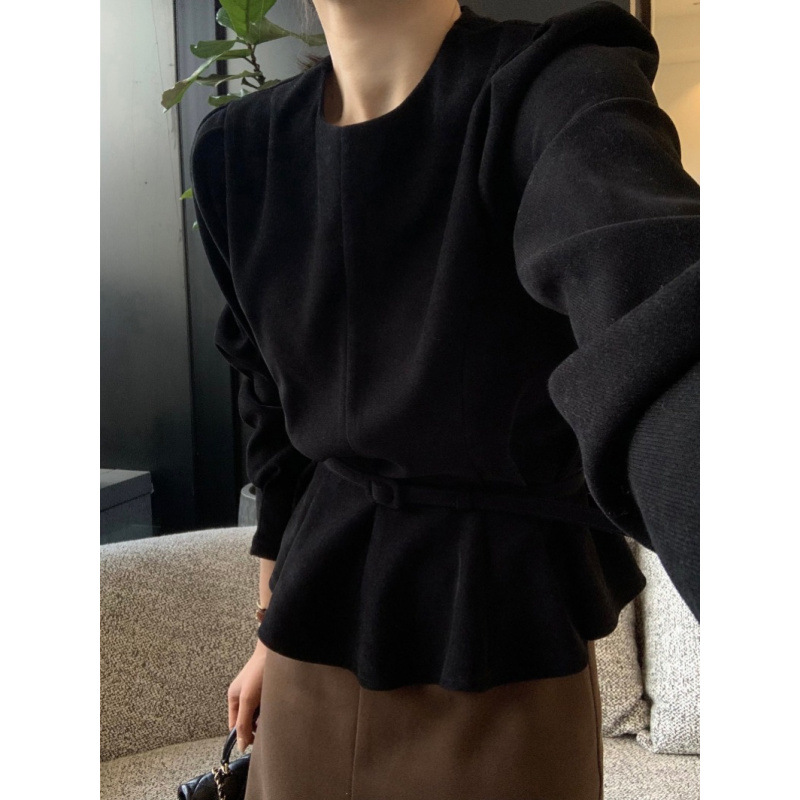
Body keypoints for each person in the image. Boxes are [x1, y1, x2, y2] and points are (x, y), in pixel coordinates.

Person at [190, 1, 699, 797]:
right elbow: (273, 425)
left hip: (499, 652)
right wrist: (269, 633)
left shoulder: (555, 90)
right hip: (307, 659)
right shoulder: (237, 148)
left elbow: (665, 328)